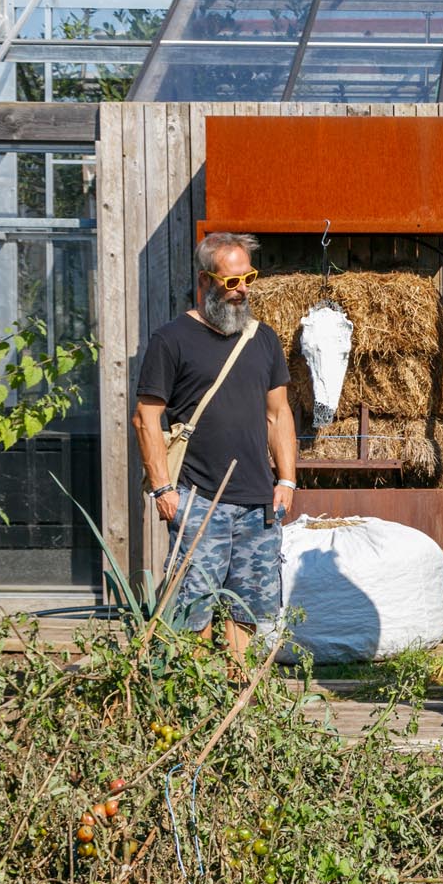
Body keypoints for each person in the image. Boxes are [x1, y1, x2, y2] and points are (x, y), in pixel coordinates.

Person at [133, 232, 296, 666]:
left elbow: (278, 415)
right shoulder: (171, 340)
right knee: (194, 604)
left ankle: (236, 691)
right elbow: (146, 418)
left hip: (258, 499)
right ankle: (199, 690)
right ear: (206, 281)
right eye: (231, 282)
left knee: (247, 606)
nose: (242, 290)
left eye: (248, 279)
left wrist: (286, 479)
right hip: (198, 497)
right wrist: (163, 489)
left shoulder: (263, 339)